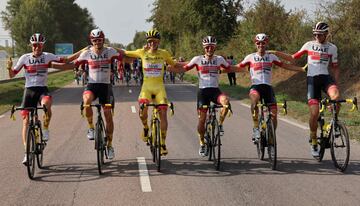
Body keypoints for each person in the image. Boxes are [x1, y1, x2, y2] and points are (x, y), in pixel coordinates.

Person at [5, 33, 78, 165]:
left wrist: (82, 53)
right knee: (26, 121)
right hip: (29, 90)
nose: (37, 47)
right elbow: (11, 75)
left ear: (42, 45)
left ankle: (45, 130)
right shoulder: (24, 58)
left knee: (46, 104)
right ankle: (27, 153)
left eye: (39, 45)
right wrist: (9, 67)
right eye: (34, 45)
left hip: (42, 89)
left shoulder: (48, 56)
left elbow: (66, 61)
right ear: (31, 45)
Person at [270, 22, 340, 157]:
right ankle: (314, 140)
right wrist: (275, 52)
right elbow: (292, 58)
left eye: (319, 34)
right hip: (312, 80)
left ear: (326, 34)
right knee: (314, 113)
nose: (317, 36)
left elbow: (335, 67)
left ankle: (335, 125)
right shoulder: (309, 45)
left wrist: (336, 84)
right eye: (315, 34)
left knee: (336, 97)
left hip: (325, 78)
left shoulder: (332, 48)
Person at [52, 28, 123, 160]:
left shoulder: (110, 51)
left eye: (100, 40)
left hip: (106, 88)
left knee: (107, 115)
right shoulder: (86, 53)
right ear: (91, 41)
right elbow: (71, 63)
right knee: (86, 102)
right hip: (92, 85)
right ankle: (91, 128)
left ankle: (110, 144)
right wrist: (53, 65)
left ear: (103, 40)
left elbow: (123, 56)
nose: (97, 43)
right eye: (94, 40)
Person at [120, 29, 184, 156]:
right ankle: (145, 128)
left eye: (154, 41)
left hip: (159, 88)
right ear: (147, 42)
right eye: (150, 41)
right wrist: (107, 48)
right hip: (147, 88)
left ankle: (163, 144)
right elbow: (124, 52)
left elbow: (175, 64)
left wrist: (193, 65)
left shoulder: (164, 53)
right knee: (143, 109)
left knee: (164, 114)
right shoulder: (142, 52)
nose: (152, 43)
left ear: (158, 42)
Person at [233, 33, 304, 144]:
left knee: (274, 115)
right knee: (254, 101)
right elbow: (237, 67)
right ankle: (256, 128)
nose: (261, 45)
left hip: (268, 87)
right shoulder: (250, 57)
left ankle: (271, 135)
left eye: (263, 43)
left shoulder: (271, 57)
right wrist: (221, 70)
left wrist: (301, 69)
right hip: (255, 86)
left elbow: (285, 65)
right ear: (256, 44)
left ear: (266, 44)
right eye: (258, 43)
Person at [181, 36, 233, 157]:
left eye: (212, 47)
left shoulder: (219, 59)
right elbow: (184, 67)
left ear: (214, 47)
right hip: (203, 92)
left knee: (225, 102)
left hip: (215, 91)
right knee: (202, 120)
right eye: (207, 47)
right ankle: (202, 143)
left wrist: (247, 68)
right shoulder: (197, 59)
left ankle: (220, 125)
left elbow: (229, 68)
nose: (209, 49)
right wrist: (168, 67)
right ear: (204, 48)